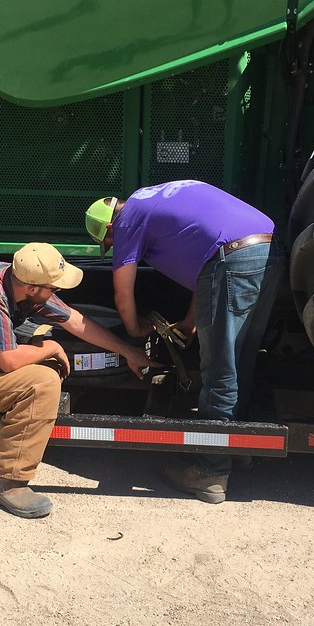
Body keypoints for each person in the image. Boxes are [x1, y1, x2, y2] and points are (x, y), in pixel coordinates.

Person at [0, 242, 153, 519]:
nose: (56, 292)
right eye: (54, 288)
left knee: (42, 364)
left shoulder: (16, 280)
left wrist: (128, 351)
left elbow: (75, 321)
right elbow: (8, 361)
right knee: (41, 381)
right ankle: (8, 483)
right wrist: (51, 347)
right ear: (34, 288)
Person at [85, 180, 283, 504]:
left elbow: (122, 293)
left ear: (110, 225)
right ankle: (238, 448)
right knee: (240, 360)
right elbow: (205, 268)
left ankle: (211, 472)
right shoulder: (153, 199)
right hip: (268, 249)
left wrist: (134, 329)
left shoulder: (128, 219)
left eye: (109, 240)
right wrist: (191, 321)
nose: (115, 244)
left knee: (219, 370)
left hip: (231, 257)